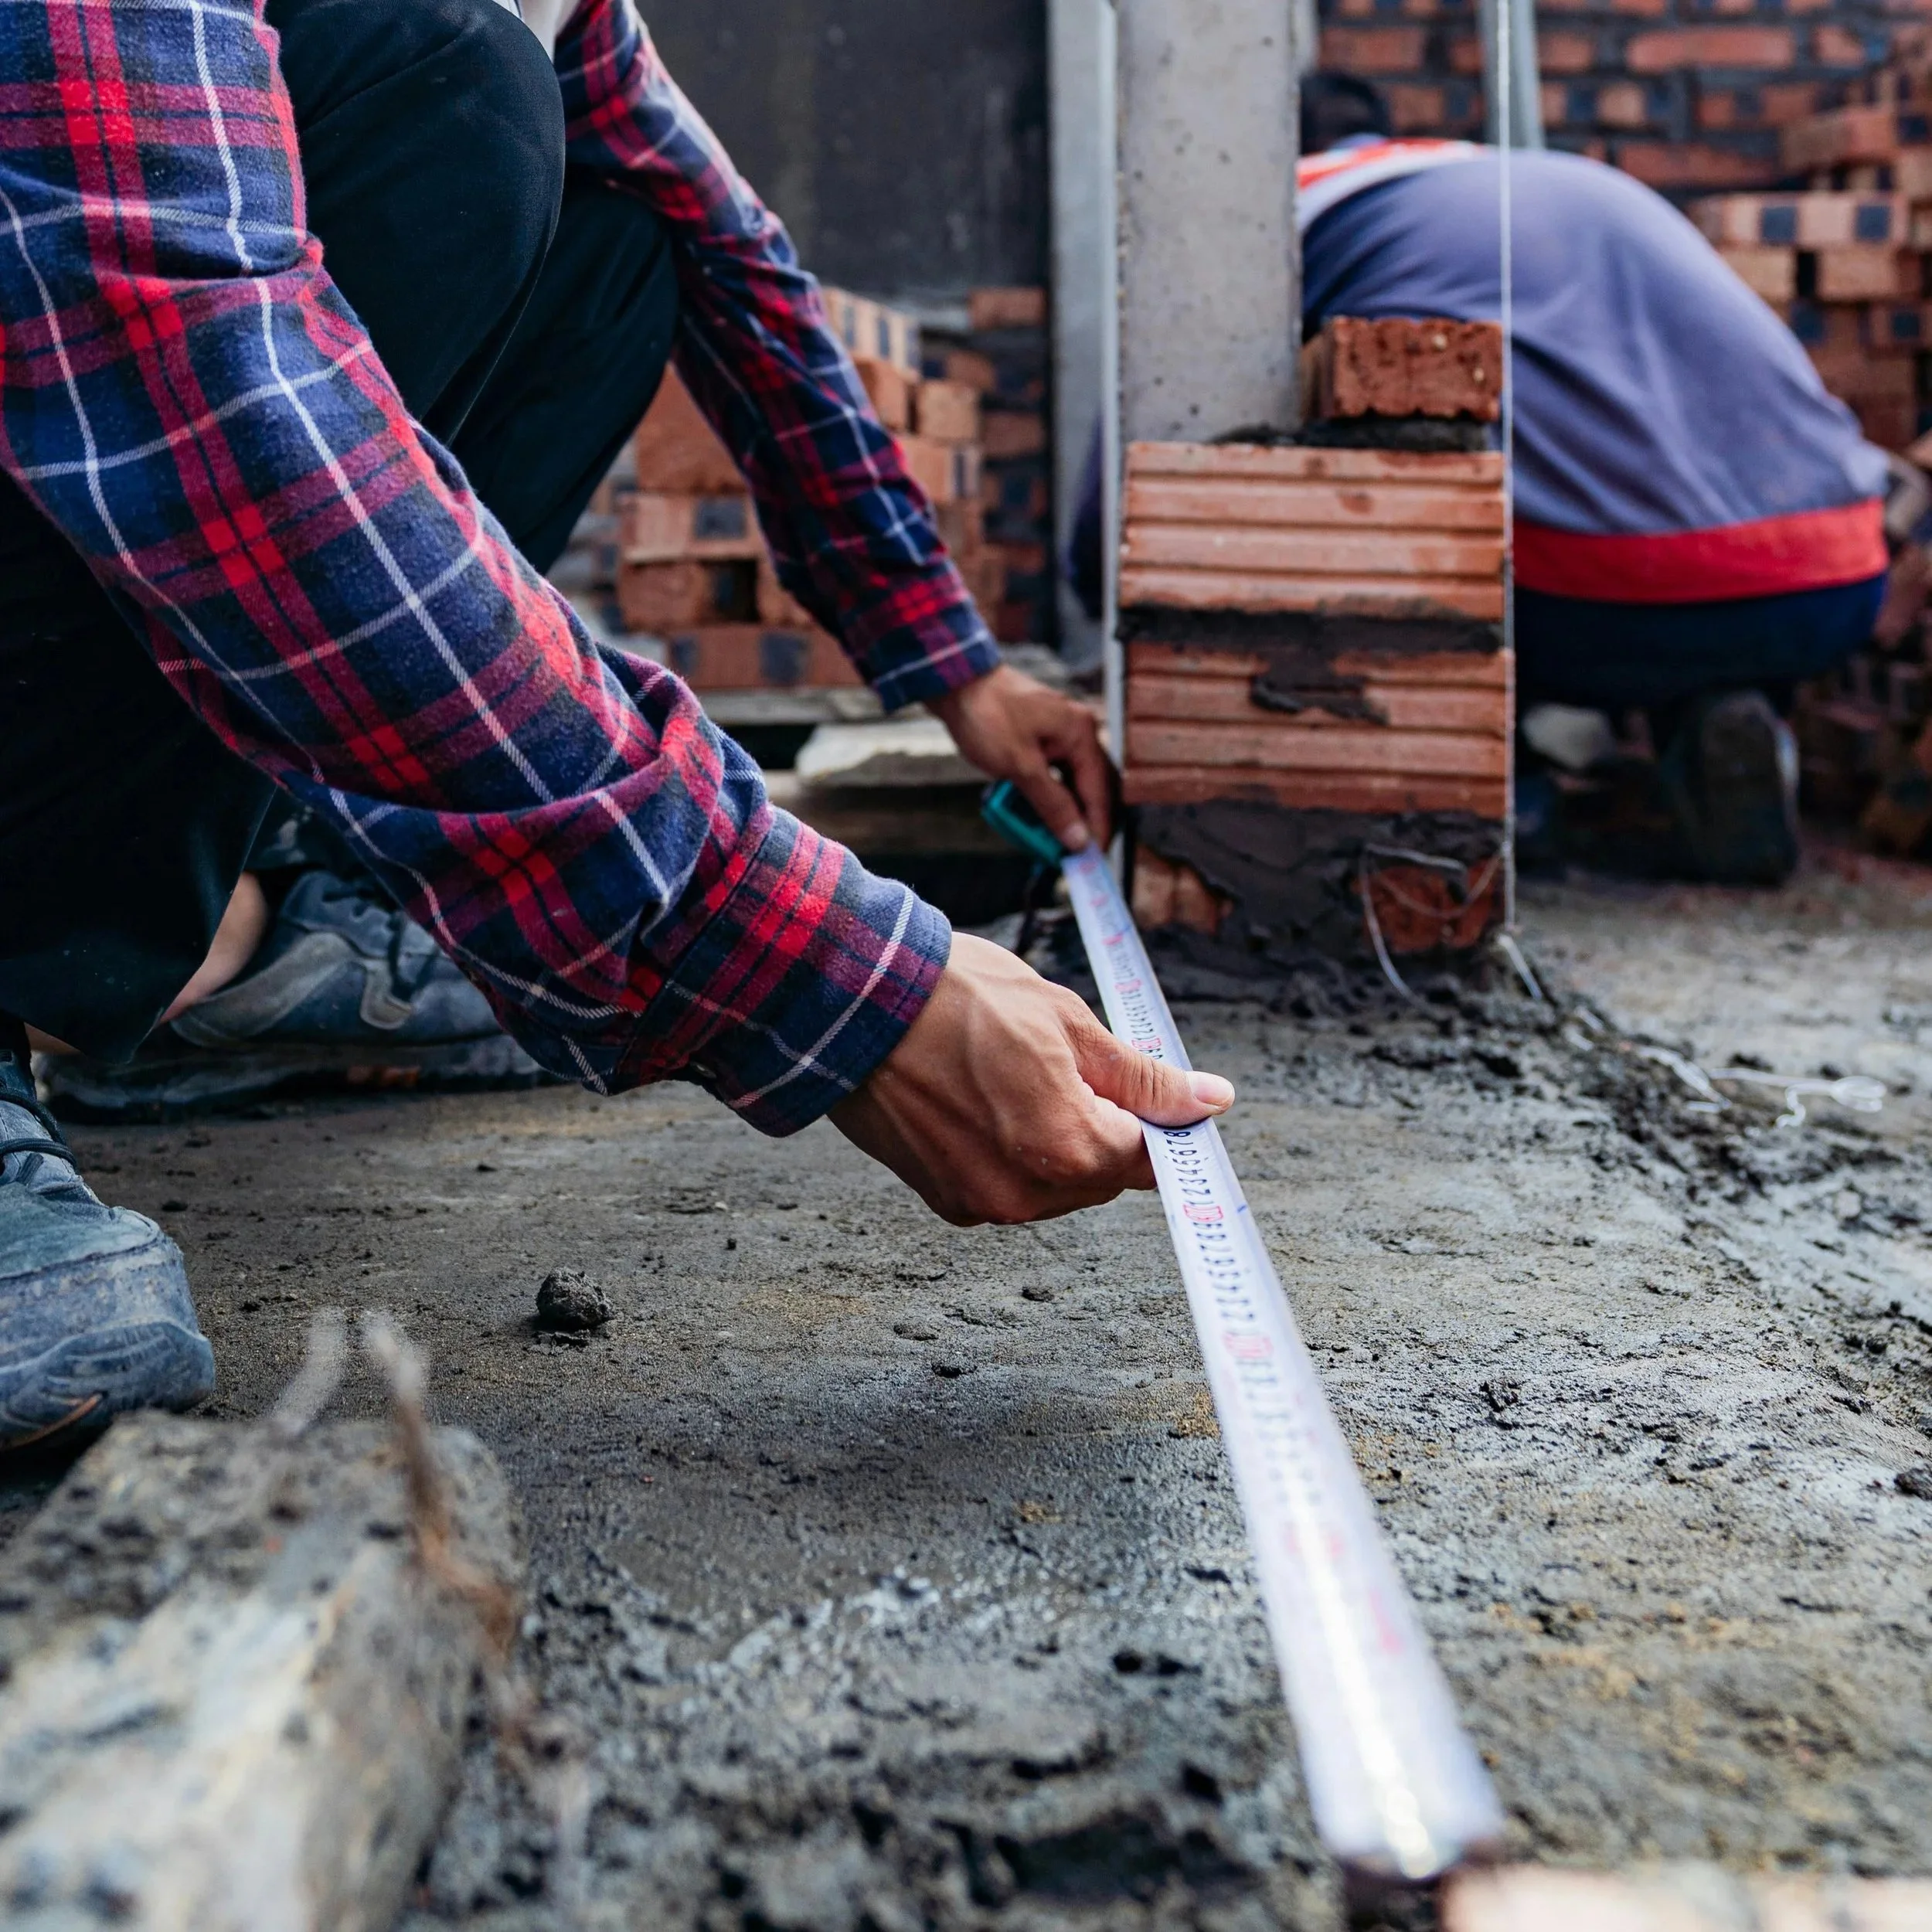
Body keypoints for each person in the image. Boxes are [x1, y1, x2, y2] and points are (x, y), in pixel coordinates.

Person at [0, 0, 1233, 1450]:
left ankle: (219, 912)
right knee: (451, 80)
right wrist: (798, 957)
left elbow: (735, 264)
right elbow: (183, 366)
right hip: (110, 337)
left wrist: (955, 668)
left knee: (610, 236)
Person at [1296, 73, 1893, 885]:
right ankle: (1710, 718)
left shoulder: (1298, 200)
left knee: (1343, 482)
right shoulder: (1556, 177)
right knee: (1655, 533)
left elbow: (1203, 402)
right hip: (1835, 578)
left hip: (1592, 611)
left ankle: (1507, 789)